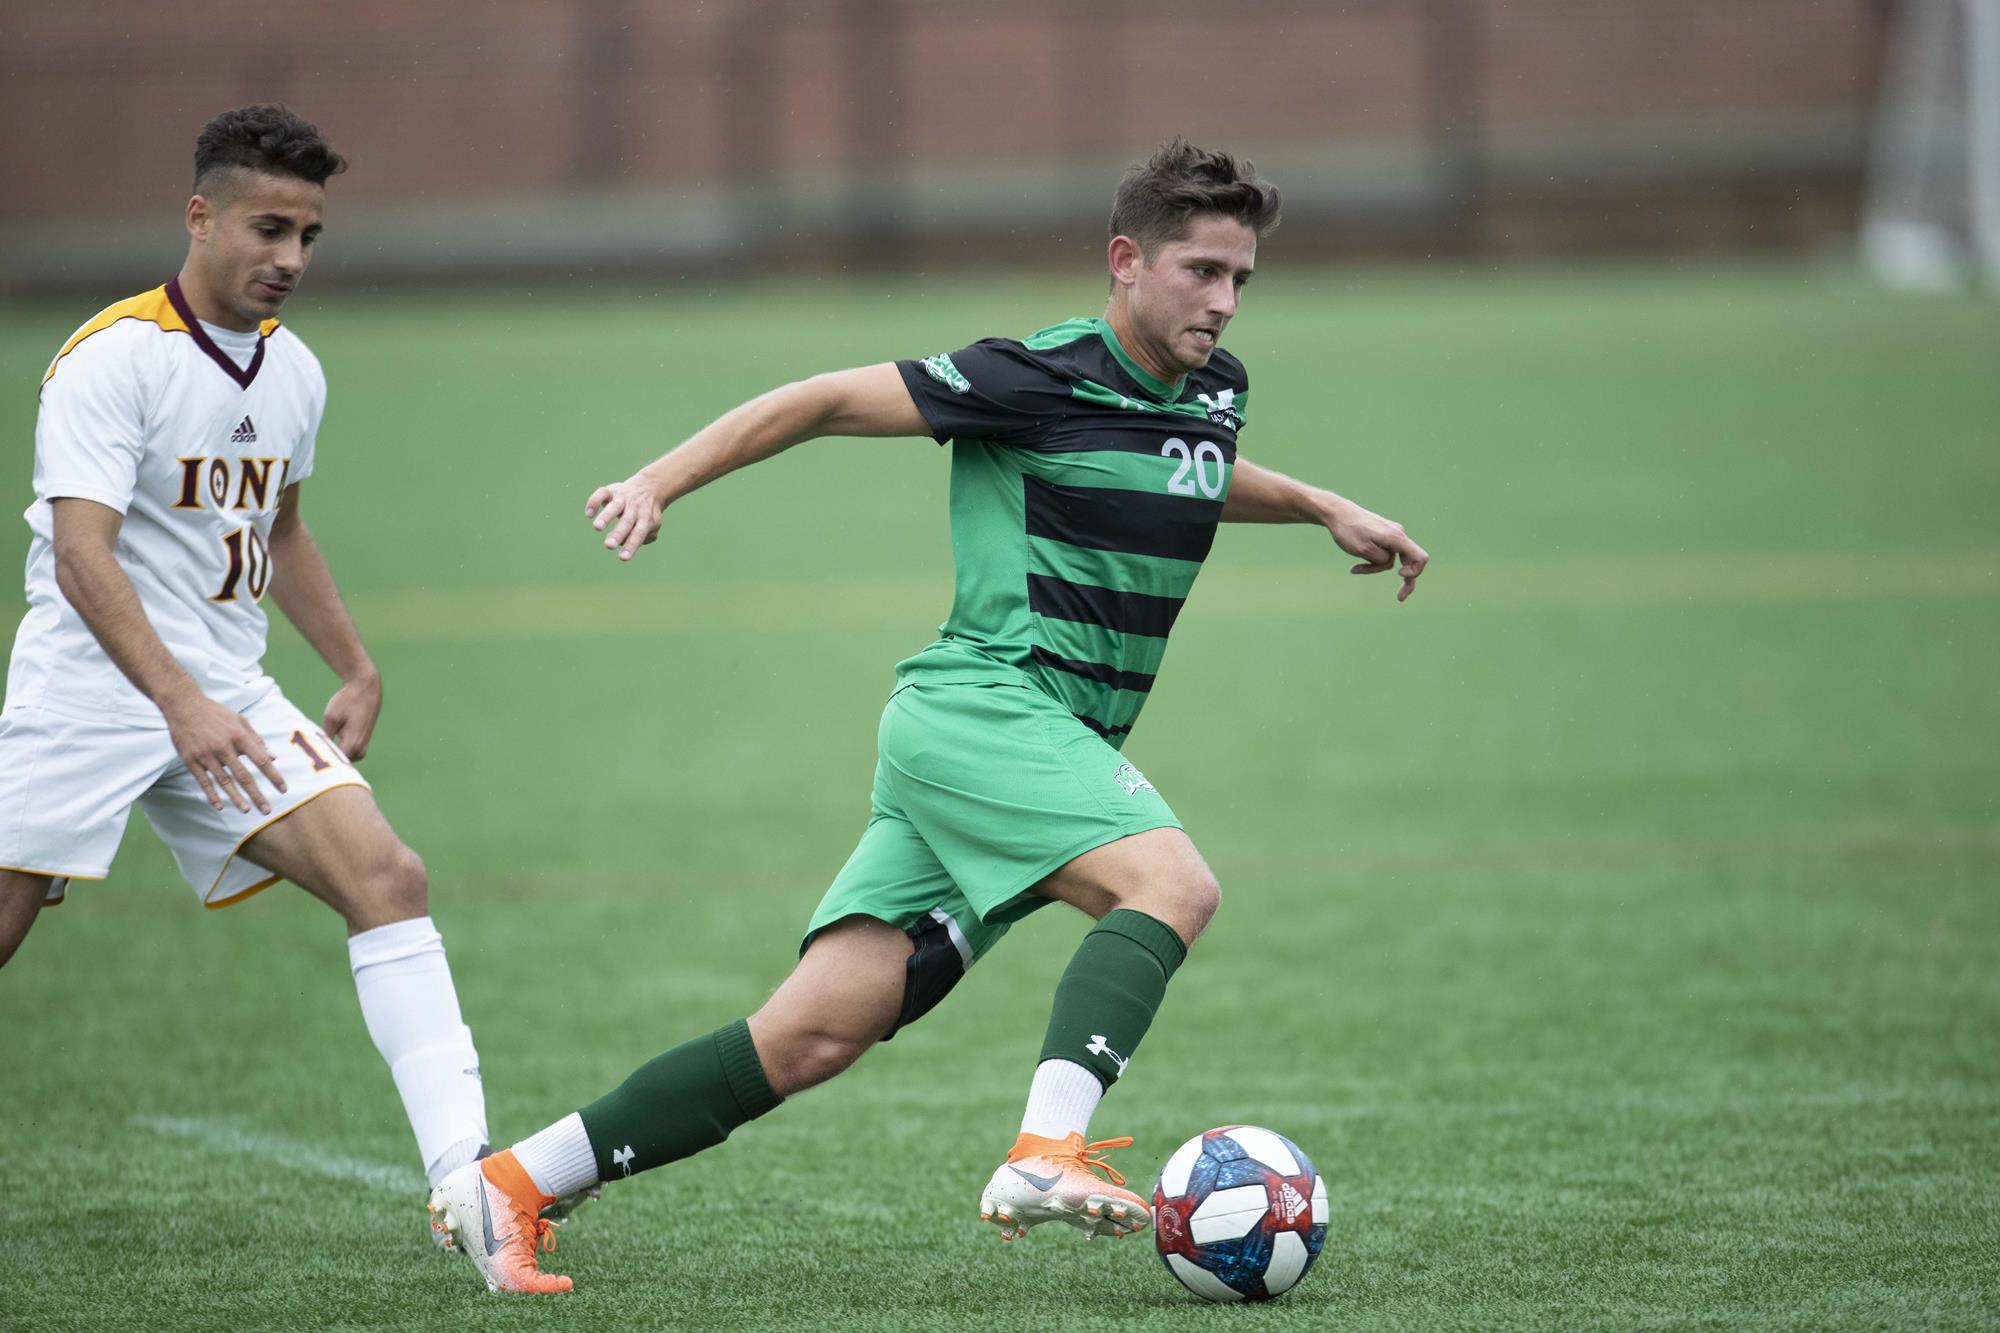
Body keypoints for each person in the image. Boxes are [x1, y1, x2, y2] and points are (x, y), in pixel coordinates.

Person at [428, 139, 1429, 1294]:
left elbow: (1190, 466)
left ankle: (513, 1182)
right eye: (1200, 270)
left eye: (1239, 278)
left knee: (807, 1035)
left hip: (1020, 749)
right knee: (1173, 885)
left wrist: (1317, 505)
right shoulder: (1029, 376)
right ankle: (1045, 1150)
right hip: (987, 712)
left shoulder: (1215, 391)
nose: (1223, 298)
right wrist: (660, 478)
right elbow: (819, 402)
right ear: (1125, 262)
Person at [0, 105, 493, 1217]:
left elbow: (280, 530)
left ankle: (470, 1187)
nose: (290, 259)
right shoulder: (111, 357)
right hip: (92, 689)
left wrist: (355, 666)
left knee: (390, 879)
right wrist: (174, 701)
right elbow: (81, 558)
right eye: (269, 229)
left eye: (308, 237)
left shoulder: (293, 372)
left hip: (227, 695)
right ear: (199, 215)